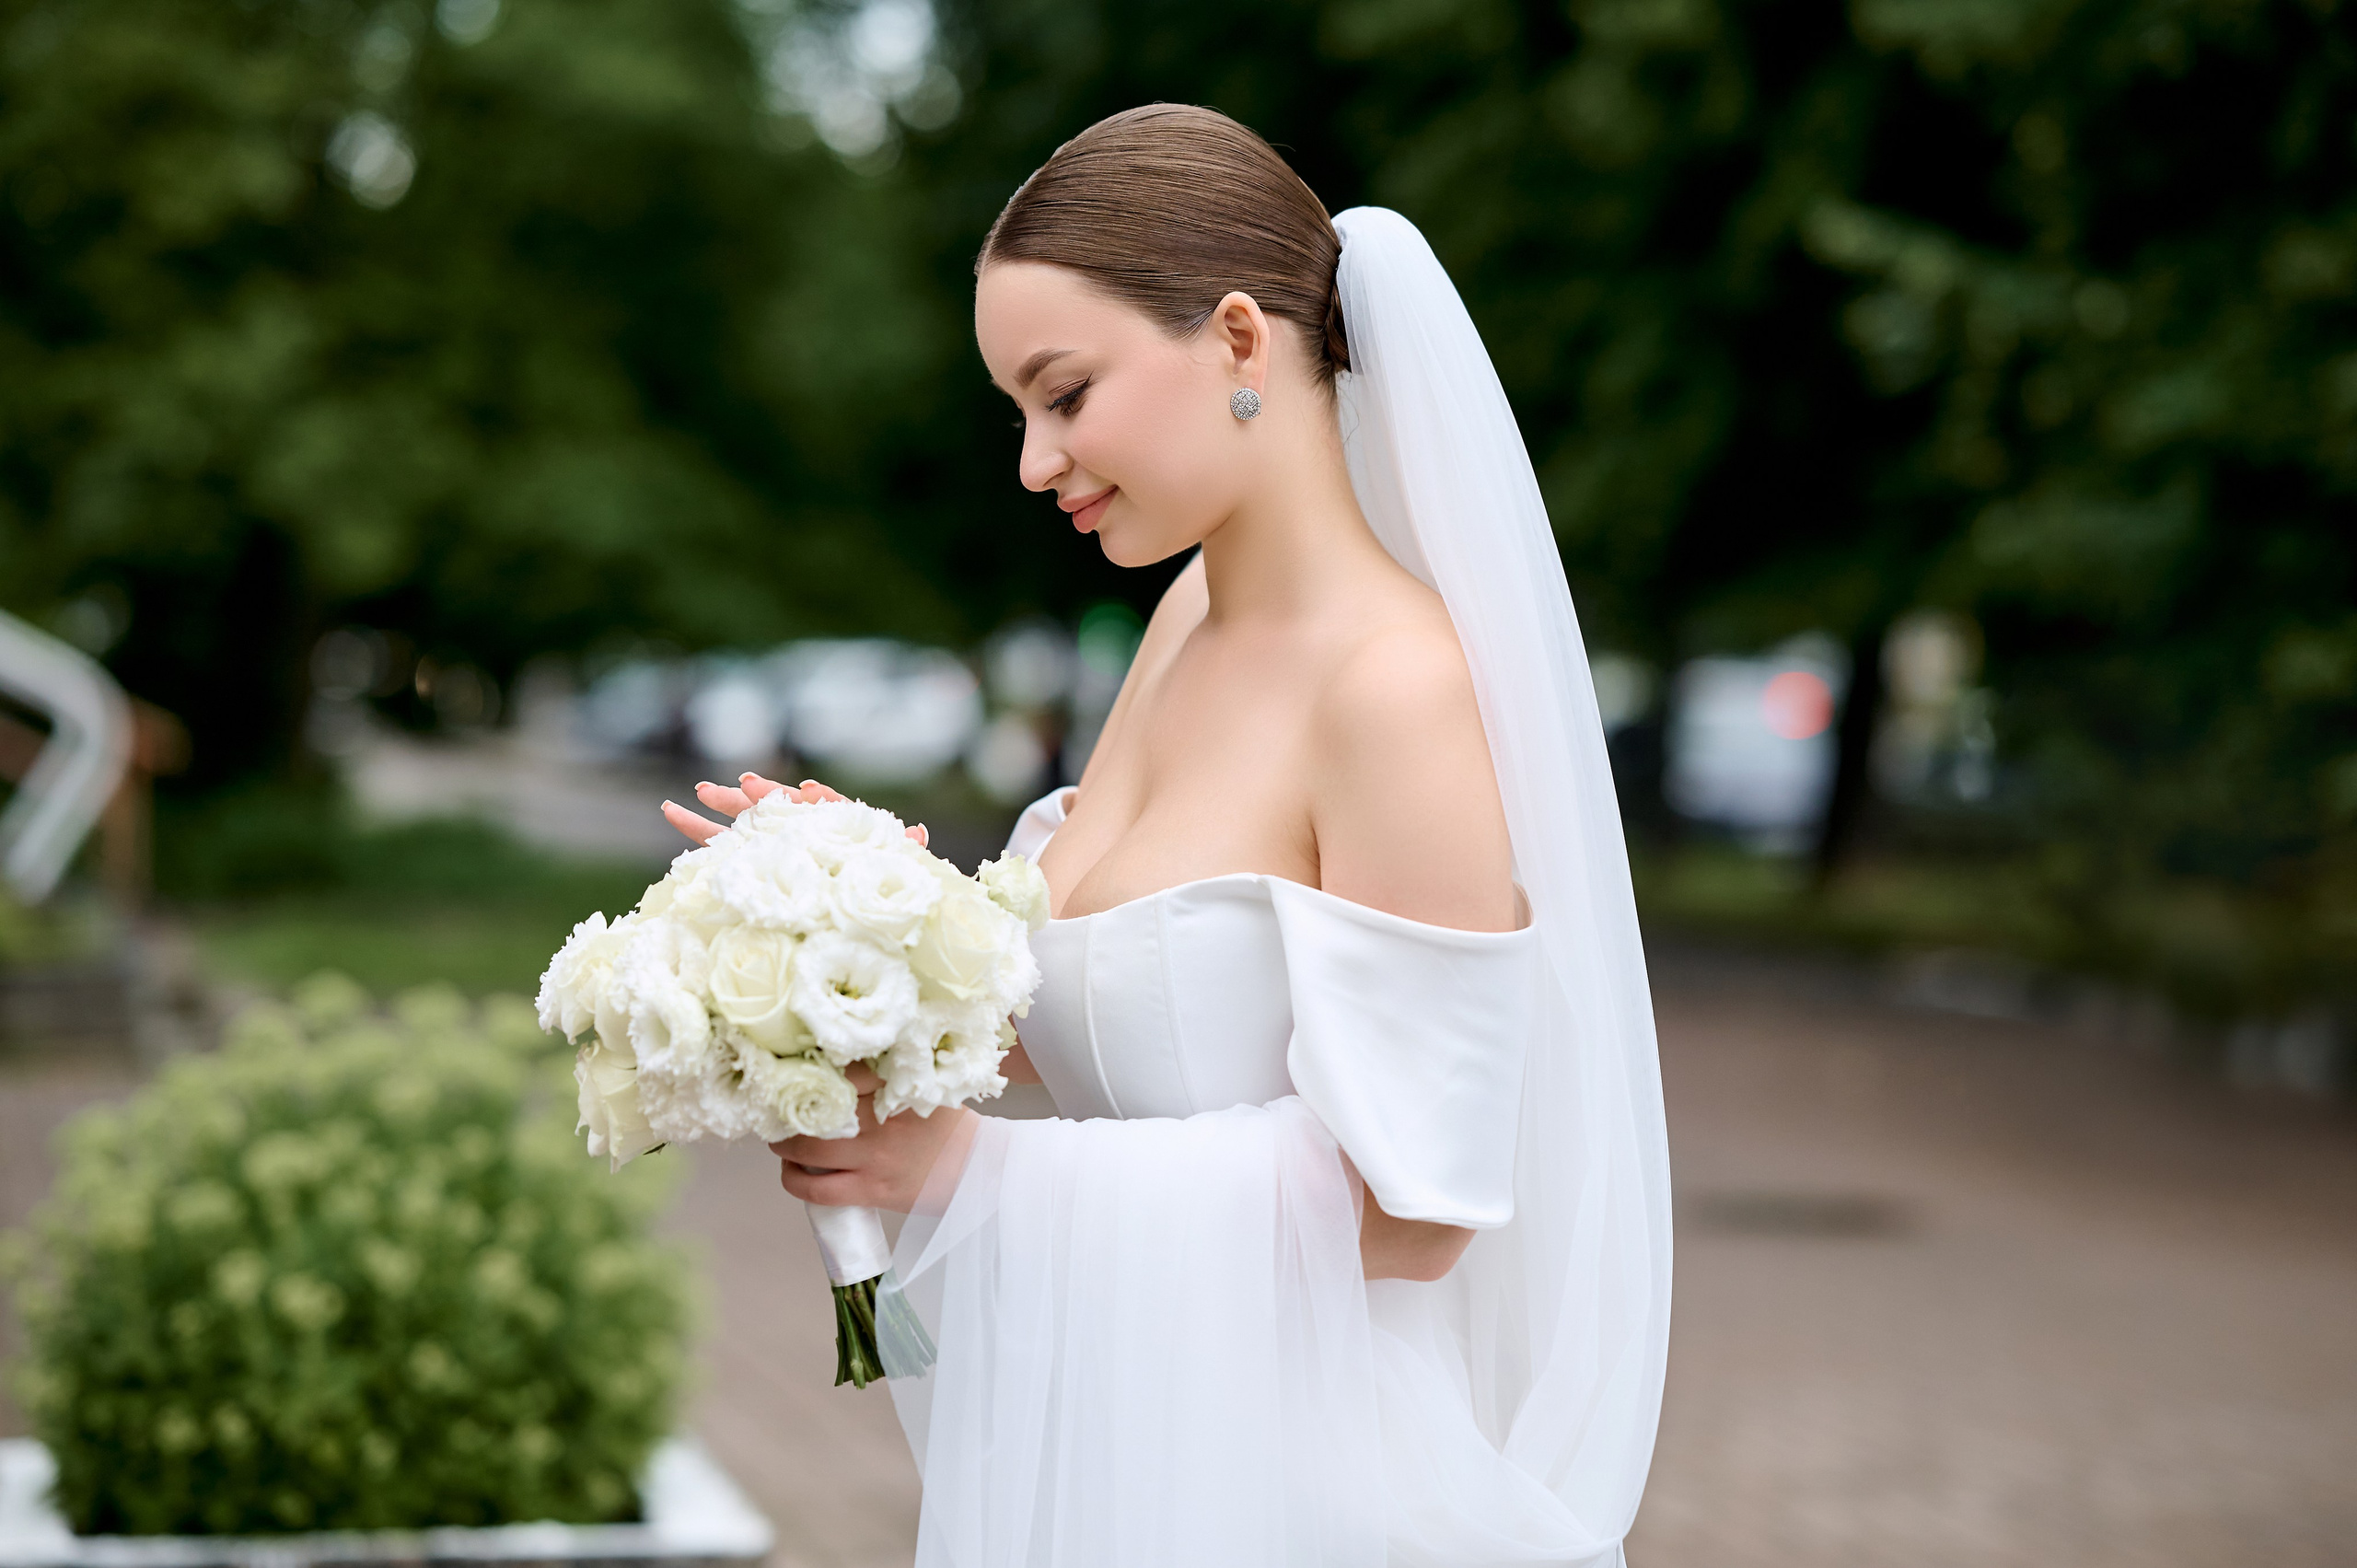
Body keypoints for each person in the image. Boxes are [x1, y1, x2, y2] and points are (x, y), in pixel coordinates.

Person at [666, 104, 1672, 1568]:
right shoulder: (1185, 619)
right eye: (1019, 410)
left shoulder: (1395, 690)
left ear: (1242, 343)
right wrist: (861, 921)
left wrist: (976, 1177)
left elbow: (1418, 1210)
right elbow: (1091, 983)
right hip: (1118, 1457)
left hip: (1307, 1496)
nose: (1033, 460)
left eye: (1063, 395)